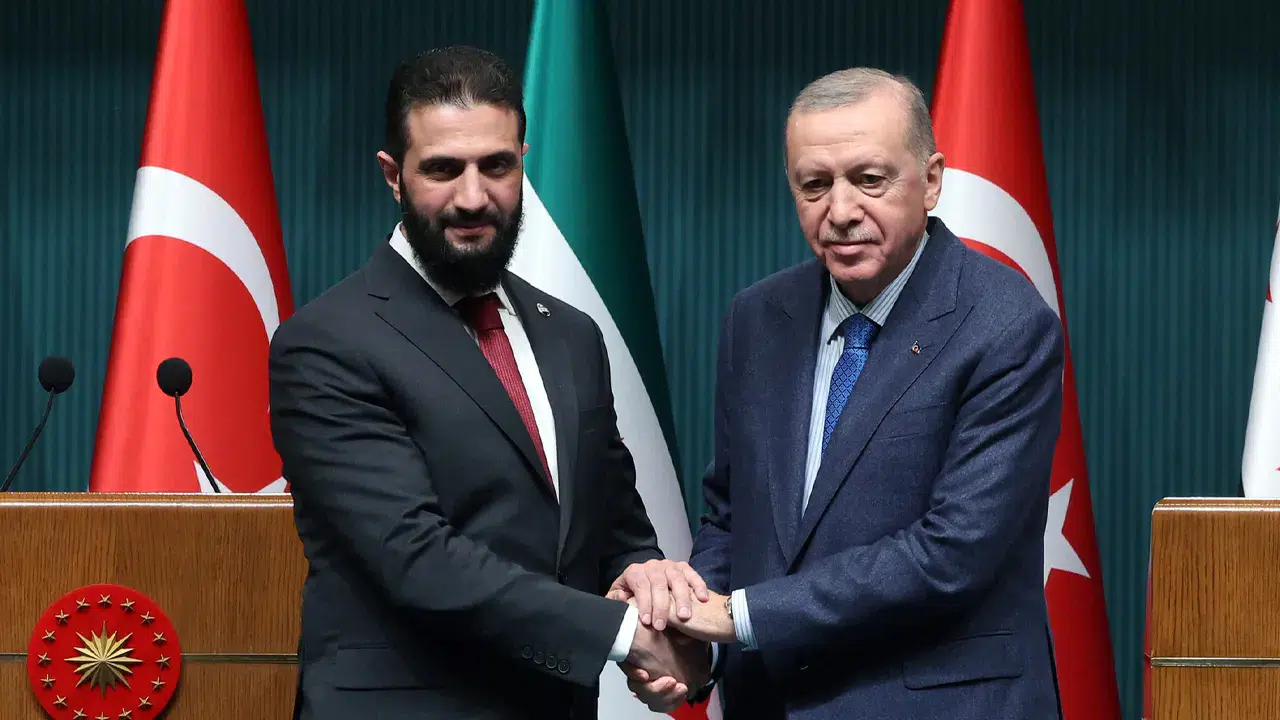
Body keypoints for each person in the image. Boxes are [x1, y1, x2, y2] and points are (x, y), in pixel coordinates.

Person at [267, 46, 707, 720]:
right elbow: (415, 557)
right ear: (393, 175)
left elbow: (612, 522)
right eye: (443, 169)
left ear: (522, 161)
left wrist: (646, 579)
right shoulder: (327, 342)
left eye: (496, 166)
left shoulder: (571, 334)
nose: (473, 197)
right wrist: (624, 636)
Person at [618, 68, 1066, 718]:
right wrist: (692, 643)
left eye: (870, 179)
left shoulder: (1004, 322)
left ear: (931, 181)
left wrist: (736, 616)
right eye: (815, 185)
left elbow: (953, 552)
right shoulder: (757, 317)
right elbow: (734, 518)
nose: (842, 211)